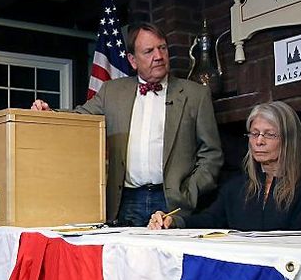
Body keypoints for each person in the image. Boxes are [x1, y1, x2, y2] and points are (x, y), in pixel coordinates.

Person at [32, 22, 223, 226]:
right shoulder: (111, 92)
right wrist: (50, 113)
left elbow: (212, 154)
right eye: (149, 51)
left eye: (162, 48)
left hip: (174, 203)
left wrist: (189, 192)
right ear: (132, 60)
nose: (158, 56)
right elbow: (81, 118)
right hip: (125, 202)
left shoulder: (196, 94)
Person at [148, 101, 301, 233]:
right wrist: (173, 222)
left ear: (289, 140)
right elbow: (210, 220)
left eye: (269, 134)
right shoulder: (236, 187)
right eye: (254, 133)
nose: (259, 141)